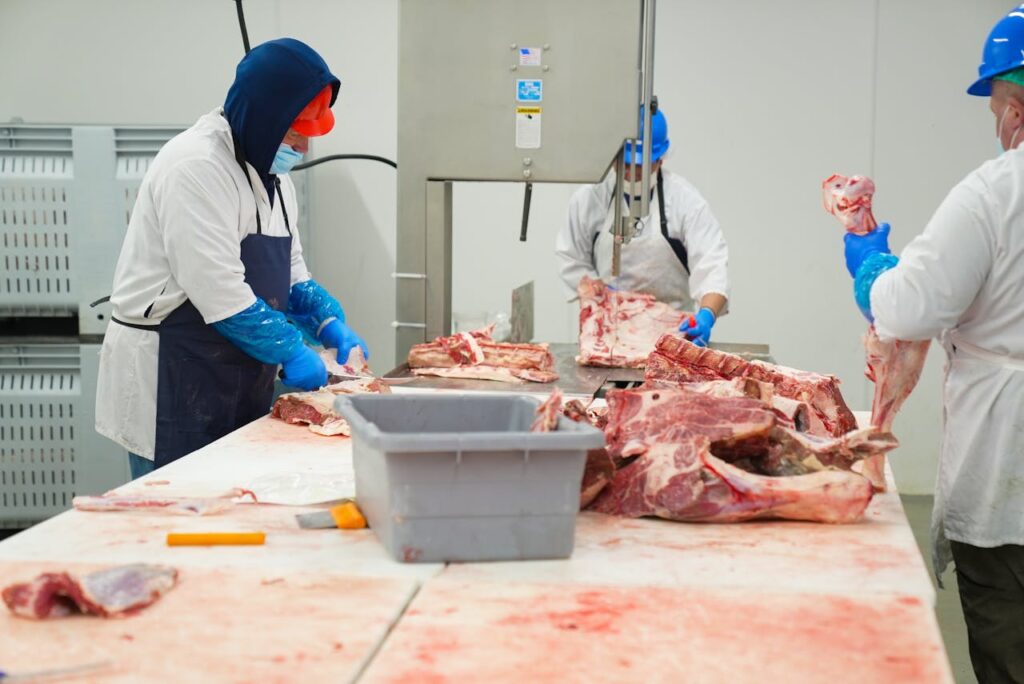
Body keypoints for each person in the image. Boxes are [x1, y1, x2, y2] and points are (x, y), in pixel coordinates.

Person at [841, 8, 1024, 681]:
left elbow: (906, 306)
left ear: (1013, 107)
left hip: (1010, 475)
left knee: (1011, 644)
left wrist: (869, 263)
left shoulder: (996, 191)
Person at [95, 38, 367, 478]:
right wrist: (291, 349)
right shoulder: (196, 167)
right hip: (175, 375)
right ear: (264, 121)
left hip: (236, 374)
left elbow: (291, 271)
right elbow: (219, 291)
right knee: (177, 517)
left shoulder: (274, 178)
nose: (303, 149)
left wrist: (325, 321)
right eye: (295, 135)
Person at [554, 102, 730, 346]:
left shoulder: (685, 201)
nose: (633, 174)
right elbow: (571, 258)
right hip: (608, 334)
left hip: (673, 335)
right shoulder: (590, 198)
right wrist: (601, 297)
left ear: (661, 159)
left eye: (642, 166)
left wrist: (706, 315)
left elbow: (712, 265)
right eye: (626, 165)